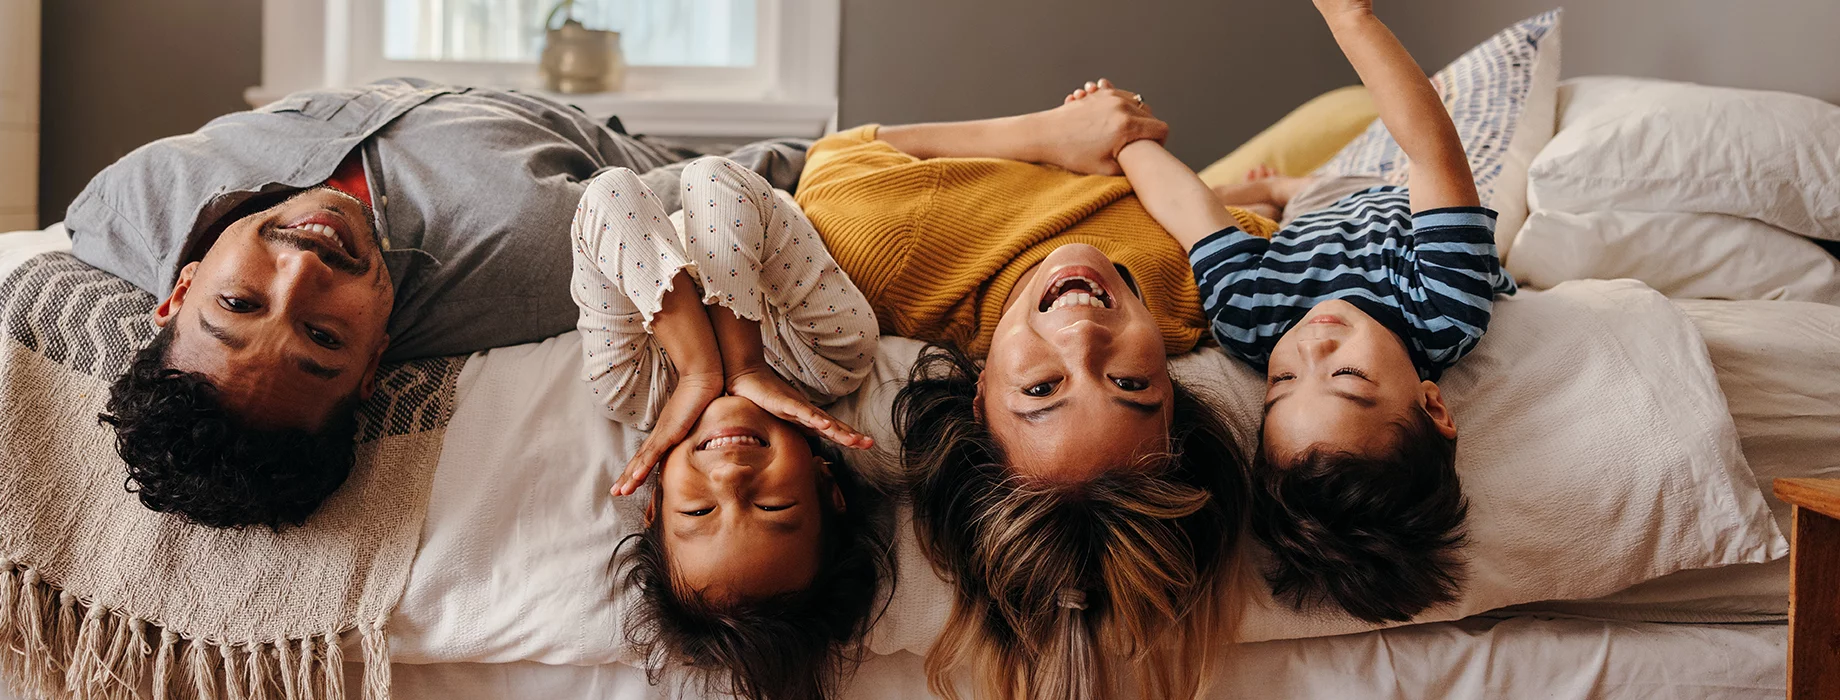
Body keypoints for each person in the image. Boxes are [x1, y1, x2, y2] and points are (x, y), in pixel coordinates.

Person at [73, 79, 808, 528]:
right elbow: (764, 178)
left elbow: (88, 217)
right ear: (374, 368)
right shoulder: (535, 254)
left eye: (236, 302)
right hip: (580, 133)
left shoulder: (128, 202)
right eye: (324, 337)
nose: (300, 270)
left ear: (179, 289)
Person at [795, 70, 1263, 700]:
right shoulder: (1204, 288)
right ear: (1173, 390)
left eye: (1042, 389)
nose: (1082, 336)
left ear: (979, 390)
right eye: (1129, 381)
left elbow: (834, 155)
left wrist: (1050, 134)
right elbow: (1258, 225)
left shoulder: (898, 258)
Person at [1095, 0, 1515, 624]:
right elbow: (1431, 153)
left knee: (1235, 202)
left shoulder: (1251, 320)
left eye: (1282, 383)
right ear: (1432, 403)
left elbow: (1189, 212)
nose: (1310, 350)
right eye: (1348, 378)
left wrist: (1123, 137)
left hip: (1302, 220)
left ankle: (1279, 192)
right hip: (1388, 192)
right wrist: (1353, 20)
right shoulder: (1447, 306)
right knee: (1366, 179)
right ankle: (1283, 190)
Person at [569, 156, 891, 700]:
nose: (730, 479)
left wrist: (695, 371)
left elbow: (610, 194)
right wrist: (742, 363)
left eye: (698, 512)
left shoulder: (630, 386)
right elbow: (714, 178)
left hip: (647, 209)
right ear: (827, 486)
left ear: (654, 503)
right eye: (773, 507)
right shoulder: (832, 355)